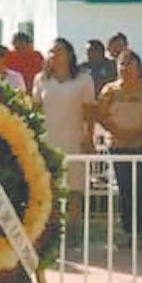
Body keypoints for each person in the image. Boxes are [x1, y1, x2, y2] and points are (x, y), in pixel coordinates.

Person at [94, 49, 142, 246]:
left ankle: (141, 231)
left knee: (141, 188)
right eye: (121, 64)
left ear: (138, 67)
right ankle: (127, 231)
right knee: (124, 189)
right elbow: (101, 115)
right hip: (118, 146)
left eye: (129, 64)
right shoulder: (109, 90)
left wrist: (138, 132)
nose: (124, 68)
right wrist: (119, 132)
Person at [32, 38, 97, 232]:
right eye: (51, 51)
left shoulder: (84, 79)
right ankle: (52, 231)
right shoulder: (41, 80)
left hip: (74, 139)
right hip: (48, 141)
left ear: (69, 55)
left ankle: (73, 229)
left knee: (75, 187)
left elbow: (90, 112)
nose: (54, 55)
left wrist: (89, 138)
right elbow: (35, 110)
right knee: (49, 187)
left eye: (58, 51)